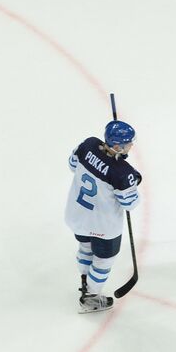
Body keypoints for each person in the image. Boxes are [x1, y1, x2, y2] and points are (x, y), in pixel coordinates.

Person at [65, 120, 142, 311]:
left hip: (77, 216)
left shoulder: (88, 145)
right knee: (103, 260)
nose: (132, 145)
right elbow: (130, 203)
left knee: (85, 248)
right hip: (103, 226)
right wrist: (133, 181)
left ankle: (85, 281)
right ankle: (91, 296)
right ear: (117, 146)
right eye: (129, 143)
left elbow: (72, 164)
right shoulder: (122, 173)